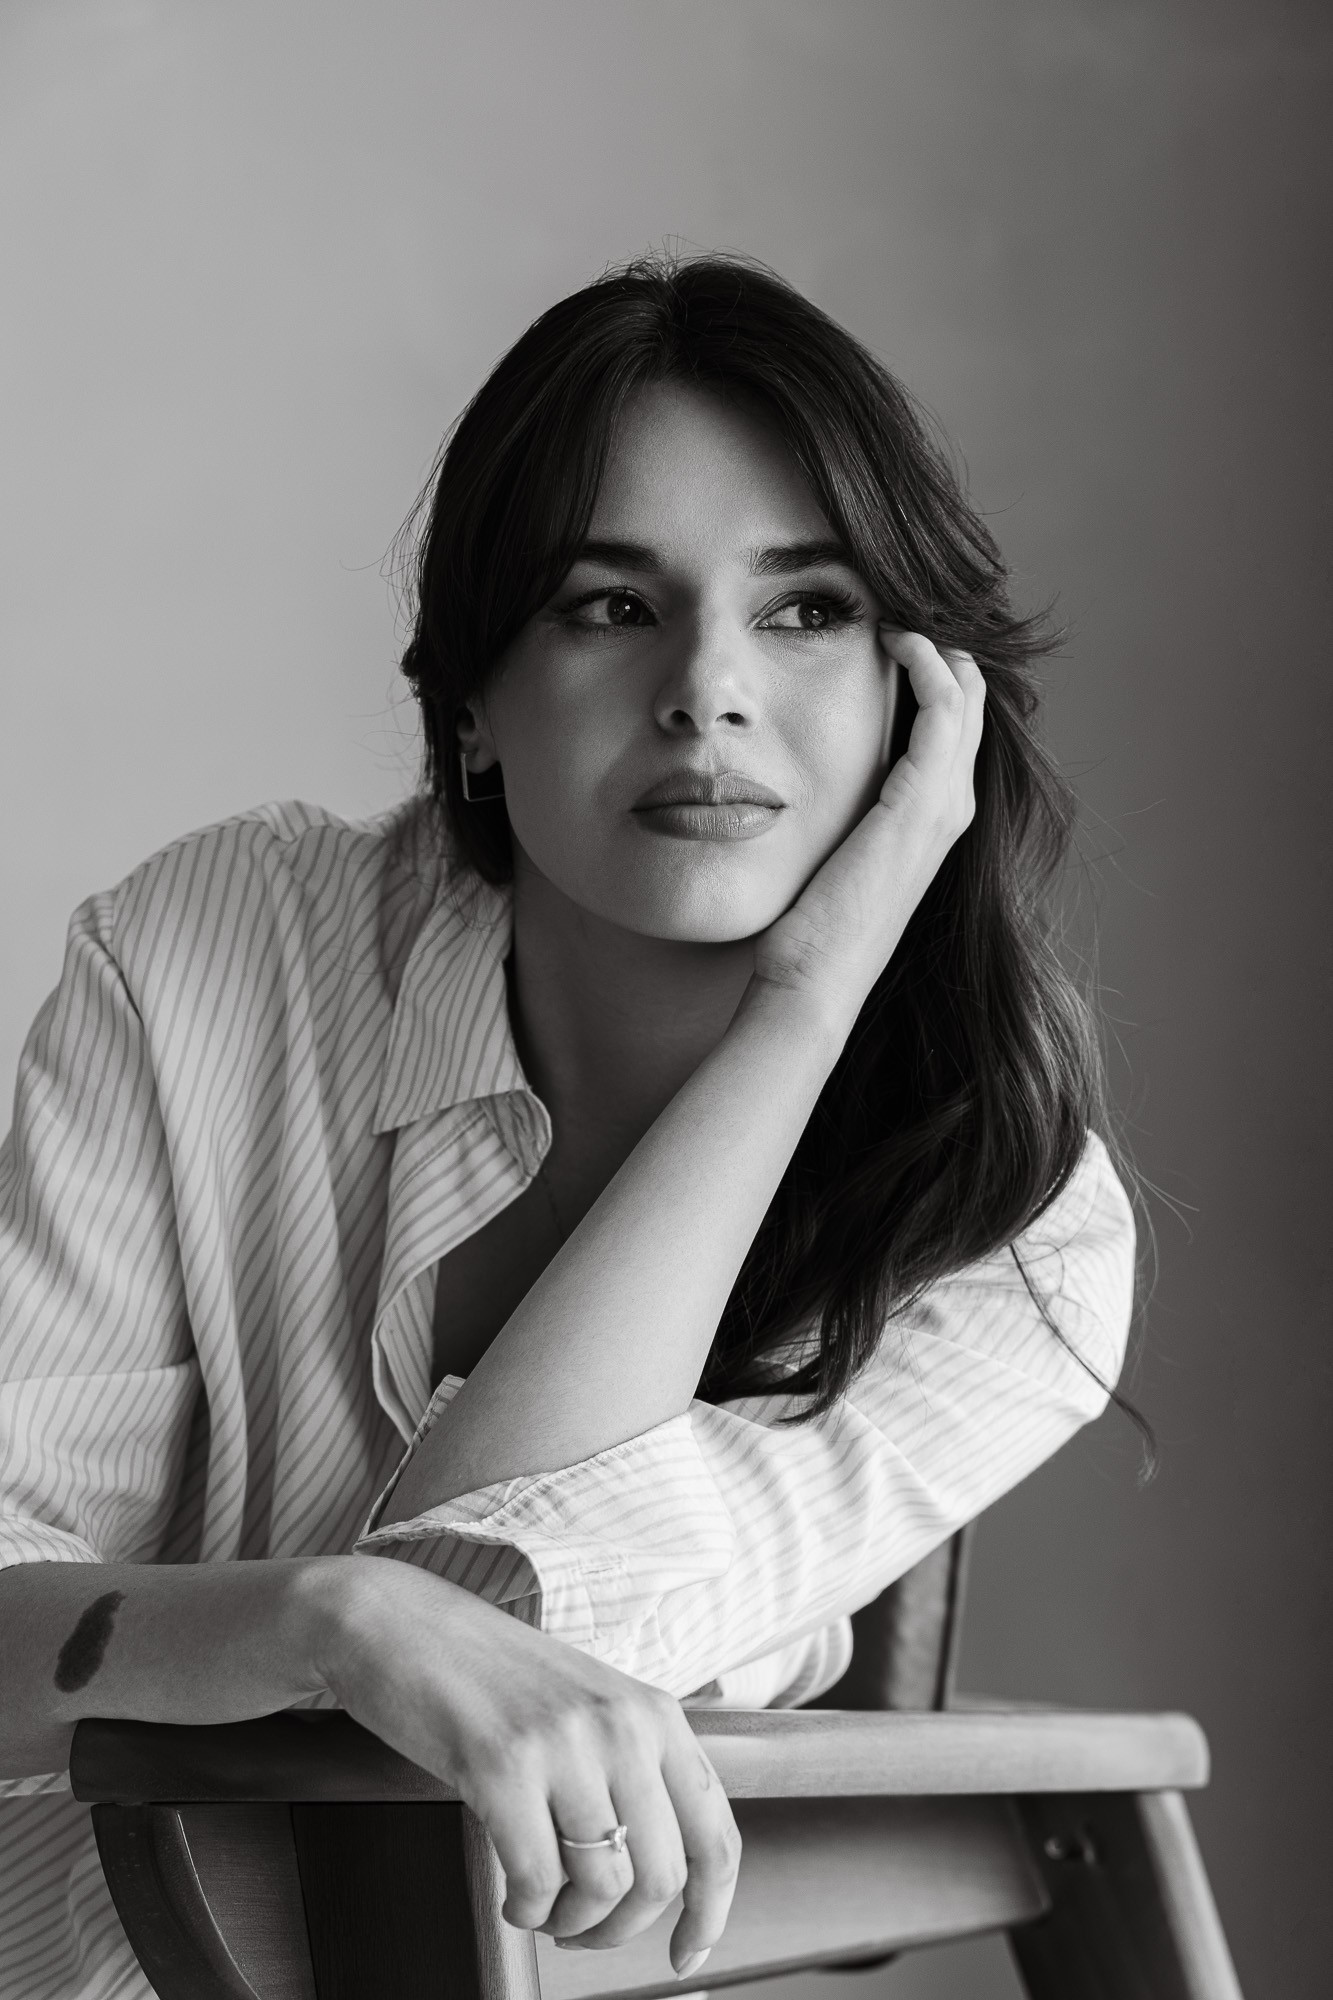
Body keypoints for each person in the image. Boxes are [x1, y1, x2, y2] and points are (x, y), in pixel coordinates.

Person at [0, 254, 1136, 1999]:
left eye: (807, 609)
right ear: (469, 705)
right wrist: (327, 1616)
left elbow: (493, 1596)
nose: (706, 689)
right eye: (610, 605)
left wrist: (800, 1013)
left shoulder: (1019, 1239)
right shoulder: (215, 950)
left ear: (923, 699)